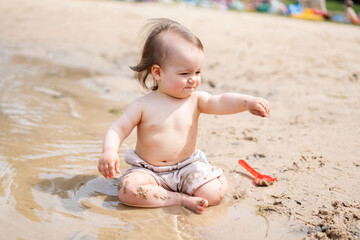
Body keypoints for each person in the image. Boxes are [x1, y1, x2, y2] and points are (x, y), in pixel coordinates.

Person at [97, 18, 271, 214]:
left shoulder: (195, 100)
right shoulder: (142, 105)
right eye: (184, 73)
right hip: (148, 170)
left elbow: (221, 101)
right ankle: (179, 199)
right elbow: (118, 128)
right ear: (157, 72)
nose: (193, 80)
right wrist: (109, 151)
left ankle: (203, 181)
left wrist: (247, 102)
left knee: (213, 194)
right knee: (127, 191)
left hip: (186, 167)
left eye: (197, 72)